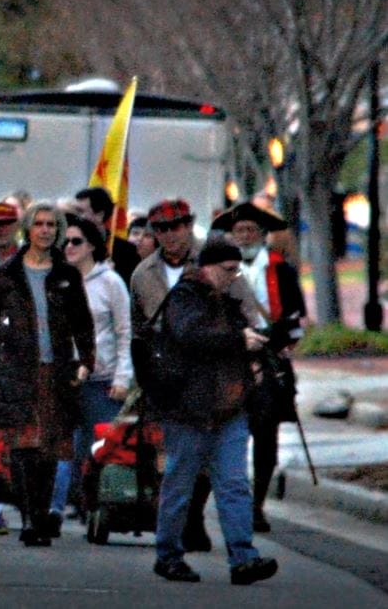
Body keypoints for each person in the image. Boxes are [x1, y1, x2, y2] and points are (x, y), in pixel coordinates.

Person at [129, 198, 263, 553]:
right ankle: (170, 547)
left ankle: (239, 553)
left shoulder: (218, 259)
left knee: (229, 477)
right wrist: (143, 377)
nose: (169, 234)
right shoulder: (143, 274)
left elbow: (248, 310)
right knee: (177, 472)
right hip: (174, 381)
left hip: (221, 378)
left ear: (189, 225)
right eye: (160, 228)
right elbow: (140, 331)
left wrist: (255, 348)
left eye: (176, 226)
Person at [149, 239, 279, 585]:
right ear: (207, 267)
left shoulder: (225, 301)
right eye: (227, 270)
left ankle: (243, 557)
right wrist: (240, 340)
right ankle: (168, 555)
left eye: (236, 269)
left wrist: (254, 355)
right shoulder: (185, 297)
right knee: (180, 483)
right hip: (189, 411)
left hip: (227, 408)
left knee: (234, 483)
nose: (233, 276)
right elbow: (191, 335)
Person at [0, 202, 95, 547]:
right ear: (28, 228)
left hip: (58, 371)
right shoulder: (8, 272)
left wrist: (86, 361)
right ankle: (28, 519)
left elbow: (83, 324)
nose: (45, 230)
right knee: (24, 447)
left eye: (52, 224)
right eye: (38, 223)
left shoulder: (66, 275)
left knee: (50, 449)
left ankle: (41, 516)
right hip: (20, 370)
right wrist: (8, 335)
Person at [212, 202, 304, 533]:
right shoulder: (218, 272)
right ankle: (226, 504)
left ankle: (257, 506)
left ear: (262, 235)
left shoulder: (281, 269)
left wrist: (270, 341)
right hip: (229, 360)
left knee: (266, 436)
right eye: (239, 231)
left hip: (268, 358)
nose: (245, 236)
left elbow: (295, 319)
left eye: (251, 230)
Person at [48, 215, 132, 527]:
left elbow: (125, 333)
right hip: (64, 379)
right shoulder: (57, 280)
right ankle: (54, 510)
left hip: (102, 383)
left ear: (93, 246)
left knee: (97, 451)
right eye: (65, 241)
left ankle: (93, 506)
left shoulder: (111, 283)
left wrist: (123, 378)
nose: (68, 247)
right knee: (61, 448)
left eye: (76, 241)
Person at [73, 187, 141, 283]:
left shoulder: (127, 251)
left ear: (99, 215)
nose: (76, 216)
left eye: (80, 212)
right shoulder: (70, 245)